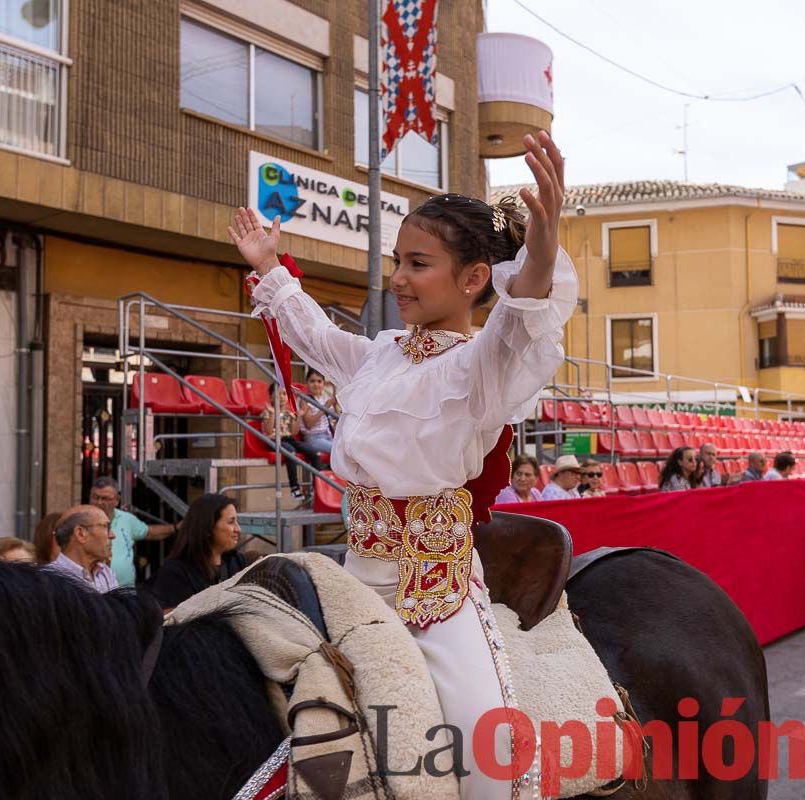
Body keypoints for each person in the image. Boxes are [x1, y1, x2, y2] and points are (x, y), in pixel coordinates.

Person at [231, 130, 571, 799]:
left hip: (438, 594)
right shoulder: (383, 353)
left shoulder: (482, 364)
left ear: (474, 279)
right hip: (356, 578)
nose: (397, 279)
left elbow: (525, 305)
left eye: (418, 264)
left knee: (485, 744)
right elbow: (317, 339)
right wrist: (271, 268)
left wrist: (545, 244)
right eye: (397, 261)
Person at [150, 493, 247, 612]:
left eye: (237, 522)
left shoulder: (237, 562)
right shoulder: (175, 572)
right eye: (231, 522)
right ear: (208, 527)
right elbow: (168, 619)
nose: (238, 529)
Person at [88, 477, 175, 588]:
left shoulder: (127, 519)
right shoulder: (80, 520)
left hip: (126, 592)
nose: (99, 502)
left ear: (116, 500)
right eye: (95, 497)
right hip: (95, 591)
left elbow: (150, 532)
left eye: (105, 498)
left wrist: (175, 528)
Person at [260, 381, 323, 502]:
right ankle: (294, 488)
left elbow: (294, 432)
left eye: (284, 394)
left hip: (289, 439)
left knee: (314, 453)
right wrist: (273, 413)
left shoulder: (289, 412)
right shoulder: (268, 411)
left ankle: (318, 487)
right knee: (291, 452)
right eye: (278, 394)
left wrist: (298, 417)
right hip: (275, 440)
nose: (282, 397)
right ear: (271, 396)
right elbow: (268, 431)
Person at [45, 505, 118, 593]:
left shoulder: (105, 573)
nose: (112, 535)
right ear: (81, 534)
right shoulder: (49, 579)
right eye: (106, 527)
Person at [298, 368, 337, 462]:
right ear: (306, 384)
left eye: (319, 381)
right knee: (338, 451)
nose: (316, 384)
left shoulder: (324, 399)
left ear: (323, 384)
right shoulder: (304, 400)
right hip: (313, 439)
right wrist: (325, 407)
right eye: (312, 381)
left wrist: (335, 407)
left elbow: (333, 421)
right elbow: (309, 424)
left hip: (328, 436)